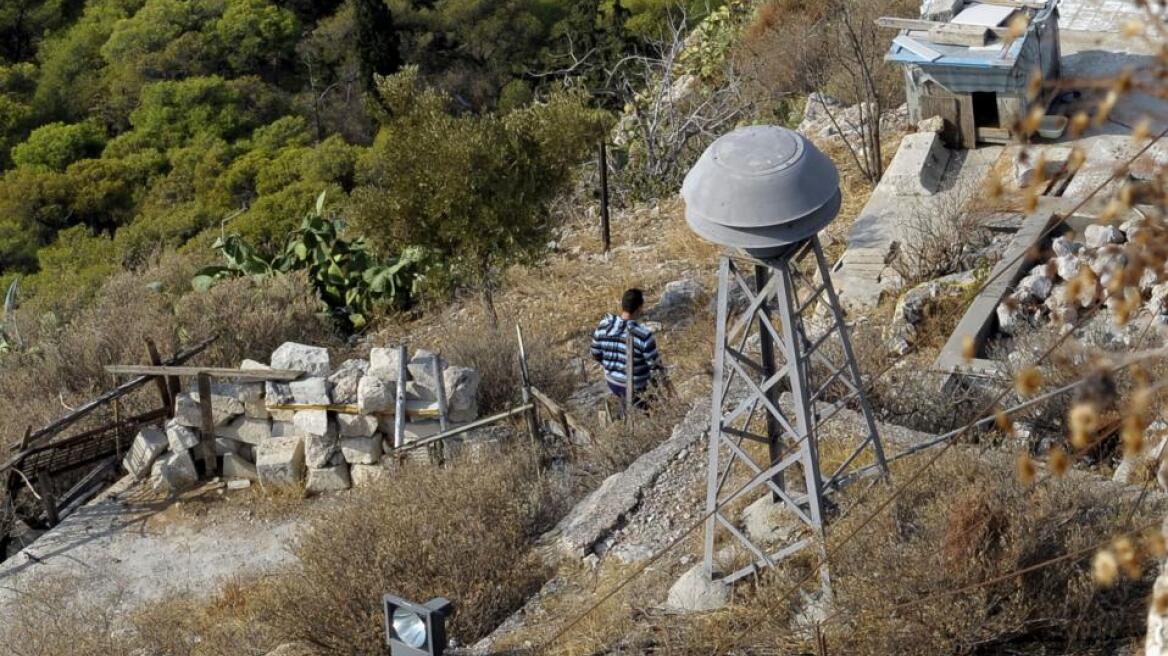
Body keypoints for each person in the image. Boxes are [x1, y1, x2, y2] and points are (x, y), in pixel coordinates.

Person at [591, 288, 664, 413]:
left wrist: (613, 365)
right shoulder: (643, 335)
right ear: (640, 308)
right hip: (636, 386)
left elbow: (595, 354)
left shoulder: (604, 326)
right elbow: (656, 369)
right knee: (656, 407)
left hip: (612, 381)